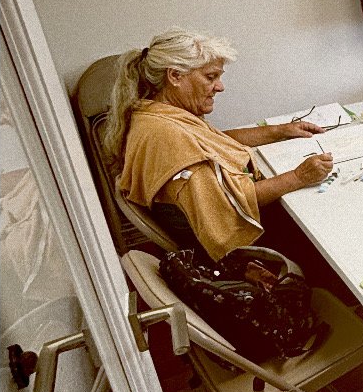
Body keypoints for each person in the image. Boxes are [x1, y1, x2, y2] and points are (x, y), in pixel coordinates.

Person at [102, 29, 331, 267]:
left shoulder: (154, 114)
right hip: (244, 252)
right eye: (210, 77)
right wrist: (299, 176)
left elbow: (213, 140)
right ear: (175, 76)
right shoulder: (170, 139)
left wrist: (279, 131)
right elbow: (233, 204)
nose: (219, 87)